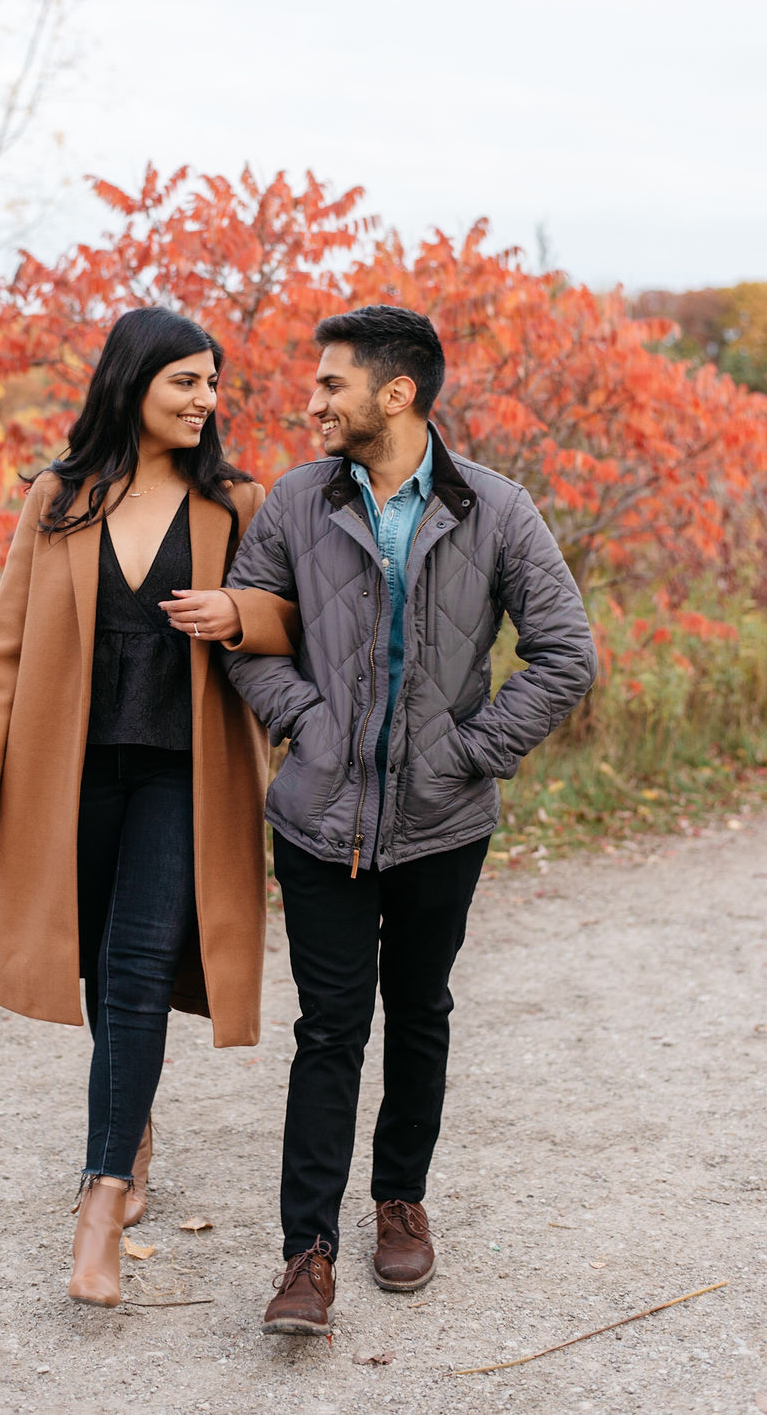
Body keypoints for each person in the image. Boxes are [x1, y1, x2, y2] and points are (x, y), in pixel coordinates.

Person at [223, 304, 598, 1334]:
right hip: (318, 820)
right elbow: (246, 632)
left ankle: (399, 1199)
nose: (312, 402)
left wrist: (469, 751)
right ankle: (306, 1254)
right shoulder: (296, 502)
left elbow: (566, 652)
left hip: (443, 823)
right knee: (328, 1029)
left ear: (396, 393)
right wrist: (309, 725)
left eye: (330, 384)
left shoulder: (497, 508)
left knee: (420, 1011)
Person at [0, 306, 296, 1309]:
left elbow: (296, 619)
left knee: (137, 971)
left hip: (185, 776)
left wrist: (239, 612)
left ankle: (100, 1202)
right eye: (185, 380)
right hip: (71, 773)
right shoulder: (58, 498)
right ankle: (129, 1128)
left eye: (212, 384)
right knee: (99, 961)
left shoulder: (235, 503)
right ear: (131, 382)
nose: (204, 400)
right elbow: (3, 646)